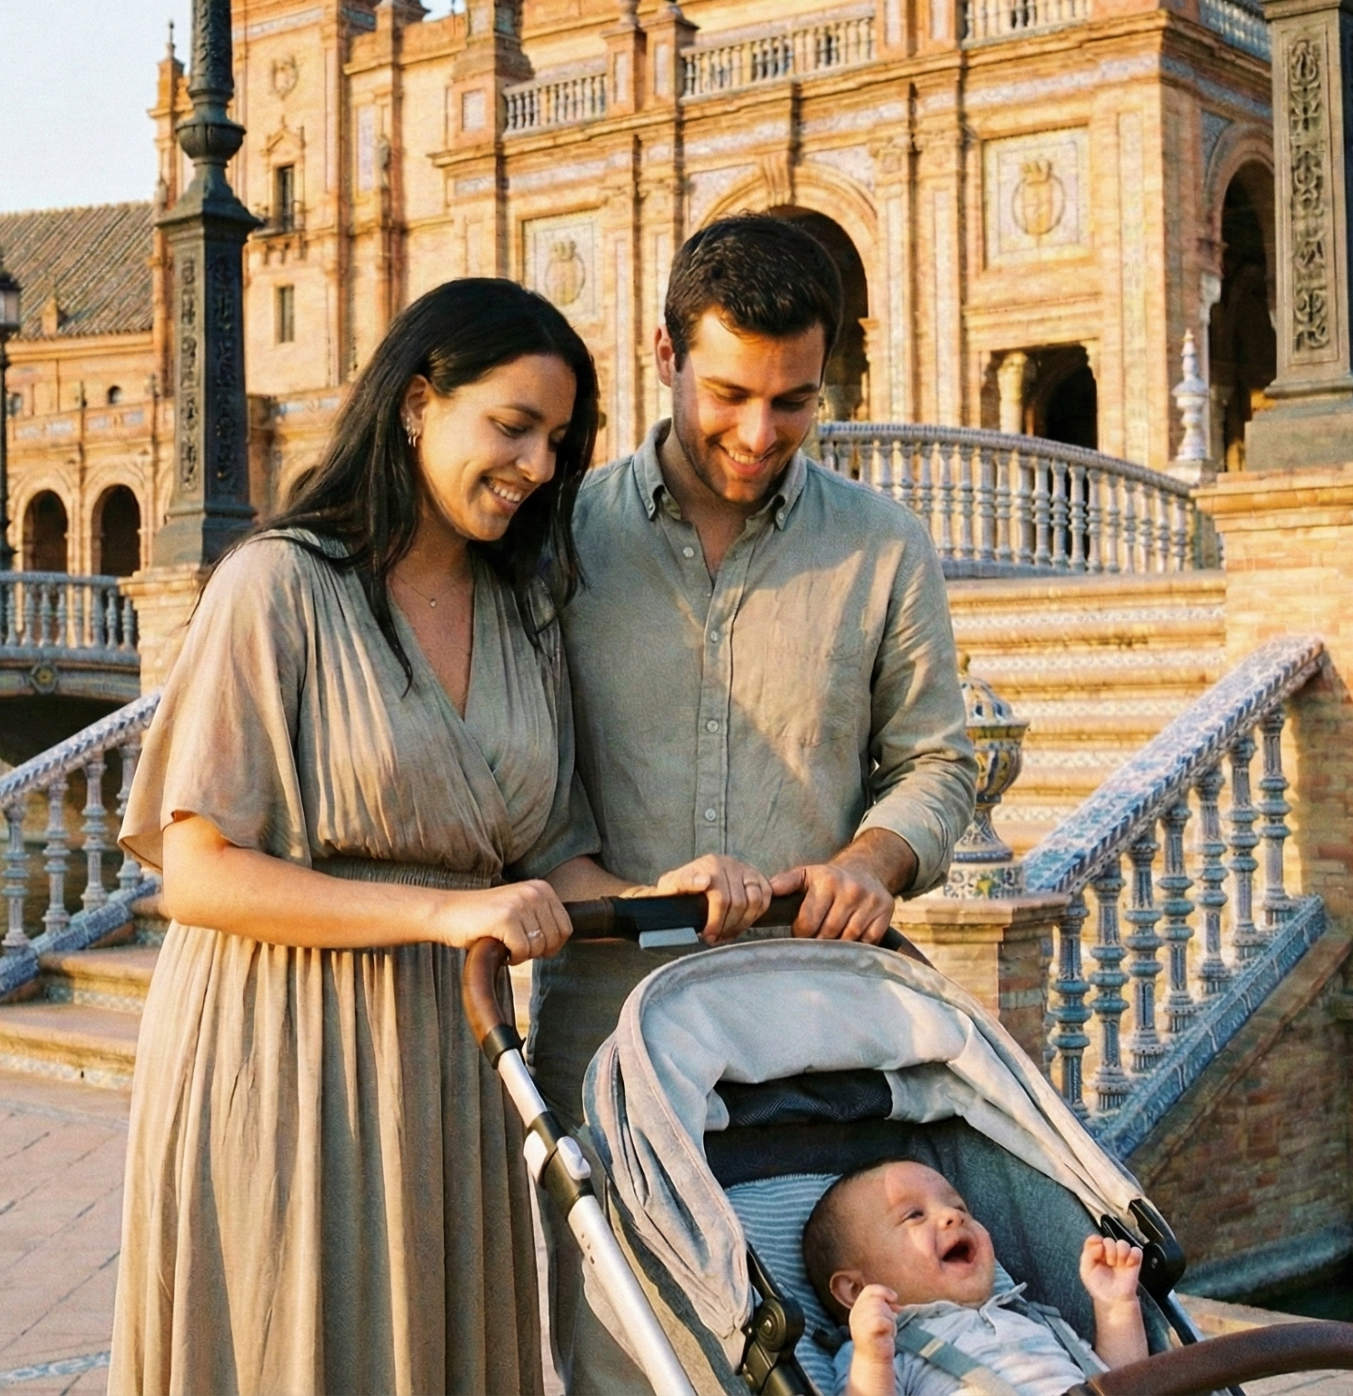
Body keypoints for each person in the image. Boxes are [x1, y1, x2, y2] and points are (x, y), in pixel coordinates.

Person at [108, 278, 654, 1396]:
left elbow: (551, 859)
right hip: (280, 1045)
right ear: (416, 402)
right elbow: (197, 874)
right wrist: (444, 913)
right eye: (512, 426)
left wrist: (667, 896)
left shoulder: (523, 615)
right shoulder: (277, 583)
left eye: (558, 440)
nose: (539, 467)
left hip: (457, 1064)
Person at [520, 214, 980, 1392]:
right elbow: (519, 774)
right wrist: (633, 895)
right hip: (605, 1018)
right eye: (728, 392)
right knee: (616, 1353)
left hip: (811, 1023)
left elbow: (937, 762)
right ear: (661, 354)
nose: (758, 432)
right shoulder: (557, 536)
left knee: (811, 1351)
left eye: (794, 402)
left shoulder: (882, 545)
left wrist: (871, 862)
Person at [802, 1160, 1149, 1396]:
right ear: (856, 1289)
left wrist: (1116, 1306)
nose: (952, 1216)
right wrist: (872, 1358)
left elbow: (1124, 1384)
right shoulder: (880, 1351)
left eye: (960, 1207)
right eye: (914, 1215)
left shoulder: (1031, 1320)